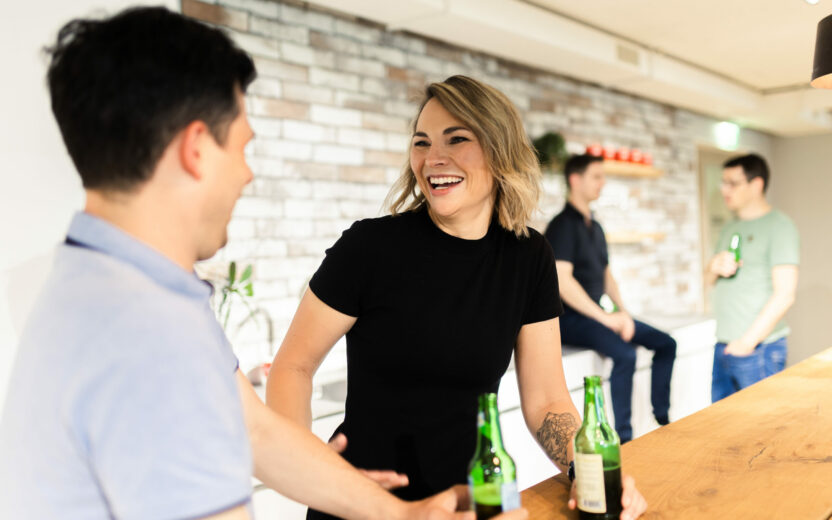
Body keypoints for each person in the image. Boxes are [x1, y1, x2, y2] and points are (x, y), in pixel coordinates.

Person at [0, 8, 508, 520]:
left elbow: (256, 429)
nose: (246, 175)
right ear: (196, 148)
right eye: (242, 147)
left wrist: (402, 514)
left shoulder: (114, 283)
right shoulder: (146, 333)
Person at [266, 75, 647, 519]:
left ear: (500, 150)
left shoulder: (528, 257)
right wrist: (307, 469)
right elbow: (292, 366)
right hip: (365, 504)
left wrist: (588, 471)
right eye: (421, 143)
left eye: (457, 139)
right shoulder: (370, 248)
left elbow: (546, 400)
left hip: (477, 501)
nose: (433, 159)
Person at [544, 154, 677, 443]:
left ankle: (663, 417)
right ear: (574, 180)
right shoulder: (562, 225)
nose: (602, 183)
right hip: (571, 320)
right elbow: (562, 282)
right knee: (626, 354)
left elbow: (607, 277)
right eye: (596, 176)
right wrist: (607, 318)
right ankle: (626, 438)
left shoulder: (597, 227)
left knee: (666, 343)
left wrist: (623, 314)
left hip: (598, 316)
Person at [705, 154, 799, 402]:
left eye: (732, 183)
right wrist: (713, 266)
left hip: (759, 349)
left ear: (756, 184)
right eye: (723, 183)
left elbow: (785, 294)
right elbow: (709, 281)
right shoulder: (730, 227)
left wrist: (746, 343)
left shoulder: (779, 226)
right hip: (724, 343)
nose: (725, 189)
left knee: (763, 435)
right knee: (722, 431)